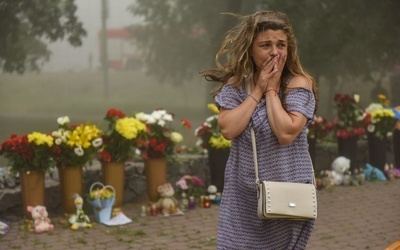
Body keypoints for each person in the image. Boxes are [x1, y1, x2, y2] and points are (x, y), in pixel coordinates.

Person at [201, 10, 318, 249]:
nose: (275, 52)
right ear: (251, 49)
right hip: (243, 197)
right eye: (266, 45)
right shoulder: (237, 85)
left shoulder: (298, 83)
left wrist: (272, 91)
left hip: (286, 193)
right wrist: (256, 91)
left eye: (281, 45)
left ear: (290, 48)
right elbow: (228, 129)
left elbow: (286, 133)